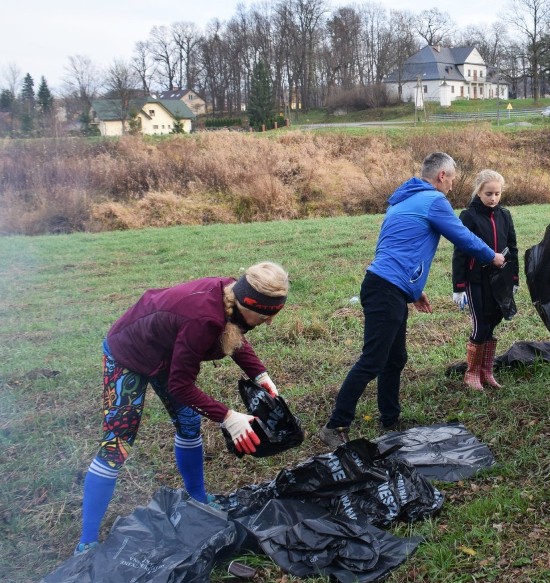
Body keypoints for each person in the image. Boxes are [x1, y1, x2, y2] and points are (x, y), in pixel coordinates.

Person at [75, 262, 289, 555]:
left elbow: (235, 335)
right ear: (245, 302)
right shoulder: (204, 319)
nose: (268, 323)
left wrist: (260, 375)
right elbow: (180, 386)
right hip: (128, 353)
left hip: (166, 352)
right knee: (117, 444)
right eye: (265, 316)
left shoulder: (231, 295)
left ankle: (198, 497)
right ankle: (86, 541)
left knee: (189, 425)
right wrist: (228, 417)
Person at [319, 153, 505, 447]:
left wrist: (414, 290)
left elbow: (398, 246)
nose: (453, 186)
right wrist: (492, 256)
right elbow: (463, 237)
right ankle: (335, 425)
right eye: (453, 178)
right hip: (386, 289)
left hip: (385, 286)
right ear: (442, 176)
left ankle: (390, 418)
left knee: (395, 358)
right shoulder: (434, 201)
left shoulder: (403, 201)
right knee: (373, 360)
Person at [451, 169, 519, 391]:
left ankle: (486, 371)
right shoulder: (468, 216)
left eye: (497, 194)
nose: (493, 198)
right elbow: (460, 252)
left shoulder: (504, 215)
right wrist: (459, 287)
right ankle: (471, 374)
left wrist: (514, 278)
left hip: (499, 281)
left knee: (493, 323)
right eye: (489, 193)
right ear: (478, 192)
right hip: (476, 279)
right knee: (480, 325)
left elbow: (513, 248)